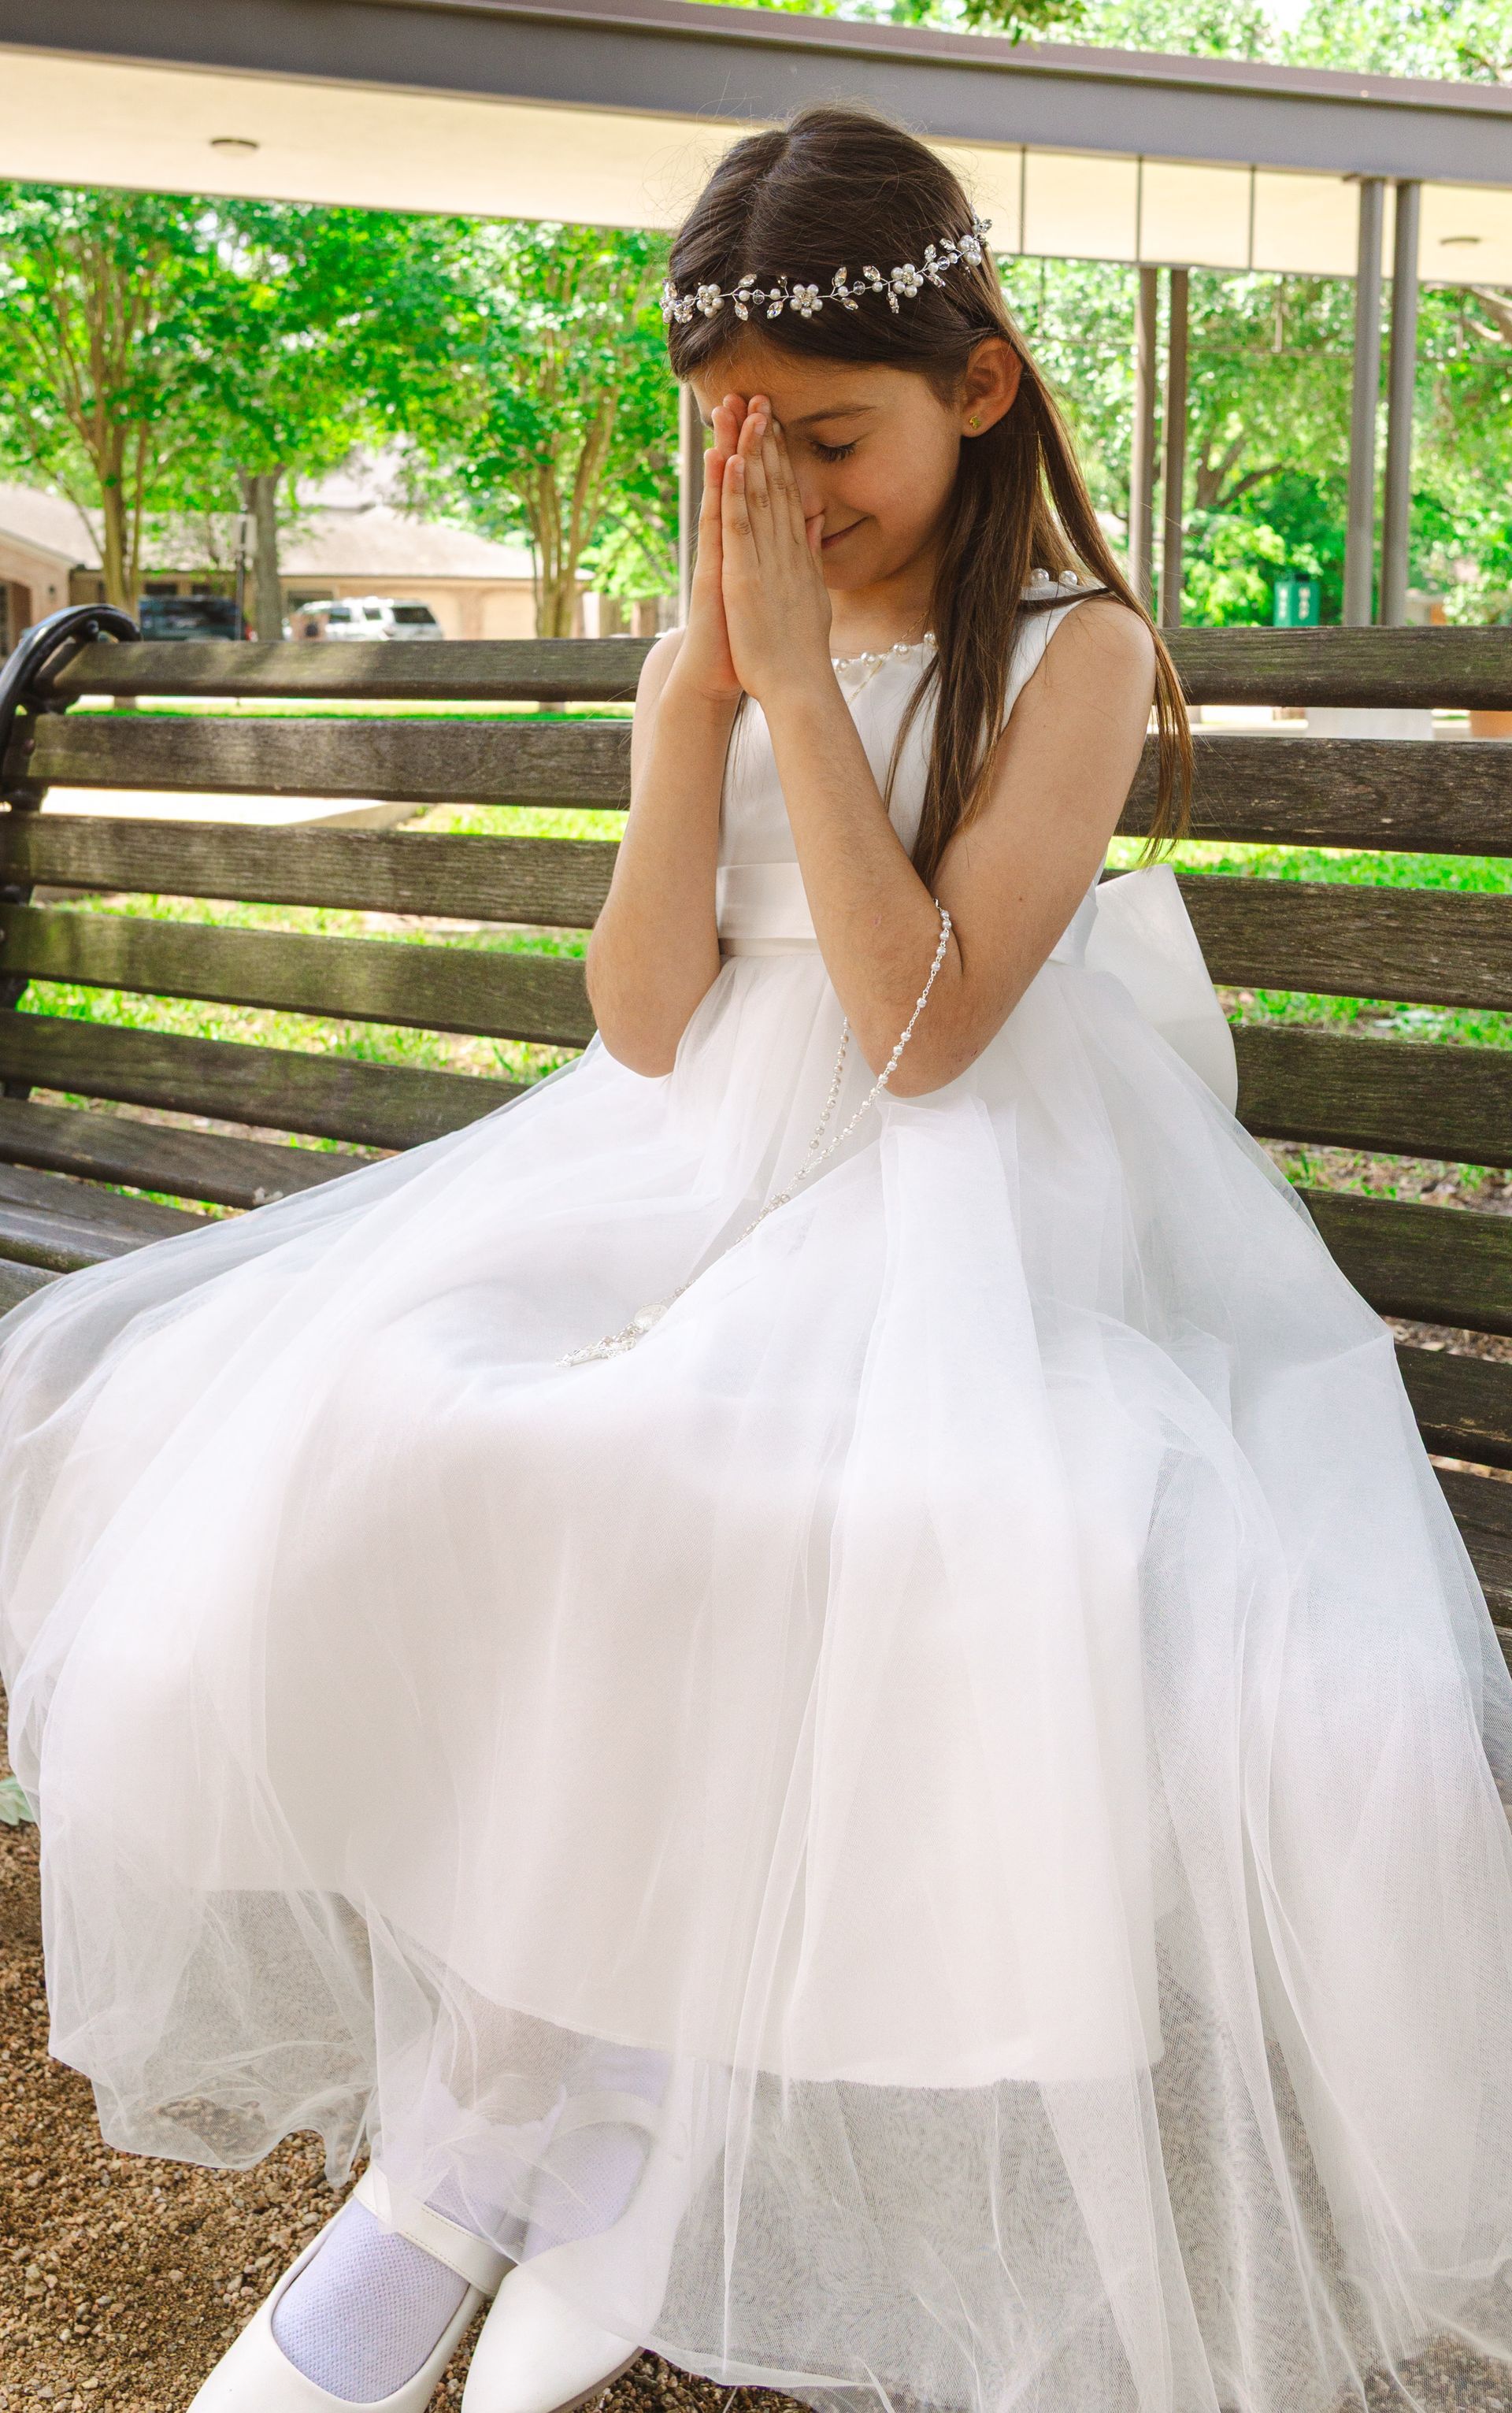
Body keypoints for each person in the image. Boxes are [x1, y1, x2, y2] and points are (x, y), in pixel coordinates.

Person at [2, 101, 1512, 2413]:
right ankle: (510, 2117)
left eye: (831, 439)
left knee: (826, 1503)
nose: (782, 497)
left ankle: (612, 2117)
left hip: (978, 1193)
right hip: (695, 1164)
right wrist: (694, 703)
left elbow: (925, 1037)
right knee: (431, 1440)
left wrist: (802, 687)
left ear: (978, 387)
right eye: (731, 447)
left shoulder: (1071, 649)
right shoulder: (710, 647)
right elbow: (641, 1020)